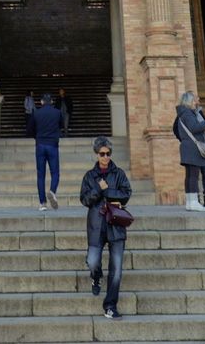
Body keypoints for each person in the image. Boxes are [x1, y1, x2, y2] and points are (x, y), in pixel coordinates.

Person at [79, 136, 132, 320]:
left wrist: (108, 191)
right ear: (96, 154)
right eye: (102, 154)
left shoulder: (119, 173)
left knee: (116, 269)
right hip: (96, 225)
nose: (105, 157)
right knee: (93, 261)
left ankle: (110, 306)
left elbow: (127, 193)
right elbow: (85, 199)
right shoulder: (89, 176)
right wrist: (98, 190)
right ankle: (96, 276)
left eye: (108, 153)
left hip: (115, 225)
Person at [174, 91, 205, 211]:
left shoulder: (184, 113)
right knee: (193, 176)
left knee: (190, 176)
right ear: (190, 101)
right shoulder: (188, 114)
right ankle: (194, 203)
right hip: (192, 149)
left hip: (190, 148)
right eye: (195, 98)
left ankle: (191, 202)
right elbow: (194, 128)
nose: (197, 100)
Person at [26, 93, 66, 210]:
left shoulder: (36, 113)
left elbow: (30, 129)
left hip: (40, 145)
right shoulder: (57, 113)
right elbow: (62, 126)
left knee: (41, 175)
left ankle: (42, 203)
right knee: (55, 172)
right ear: (52, 102)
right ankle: (52, 191)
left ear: (42, 102)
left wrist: (37, 137)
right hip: (53, 145)